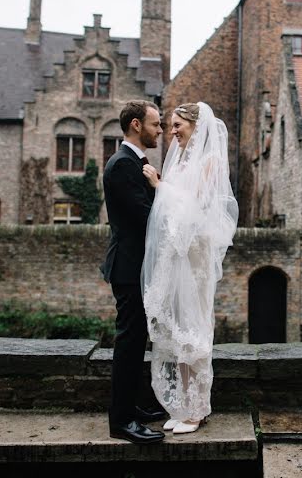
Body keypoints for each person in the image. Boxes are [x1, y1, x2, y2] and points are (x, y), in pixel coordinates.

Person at [140, 102, 238, 435]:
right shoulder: (182, 161)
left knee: (194, 330)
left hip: (194, 255)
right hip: (178, 254)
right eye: (169, 125)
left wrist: (158, 186)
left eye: (177, 124)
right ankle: (183, 405)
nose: (172, 131)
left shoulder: (209, 162)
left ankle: (197, 410)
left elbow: (194, 204)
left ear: (196, 125)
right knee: (179, 331)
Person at [101, 100, 167, 444]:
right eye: (156, 124)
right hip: (128, 268)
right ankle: (121, 421)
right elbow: (147, 218)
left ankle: (132, 407)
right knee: (128, 343)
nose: (160, 130)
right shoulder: (122, 165)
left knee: (137, 340)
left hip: (137, 266)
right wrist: (161, 191)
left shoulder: (135, 163)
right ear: (137, 125)